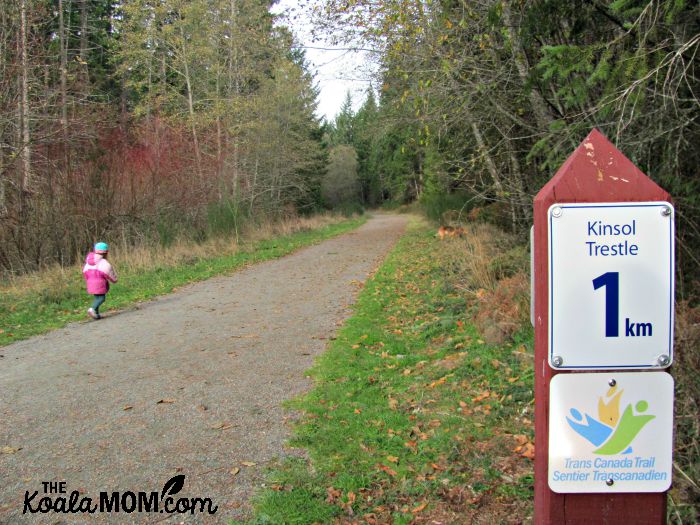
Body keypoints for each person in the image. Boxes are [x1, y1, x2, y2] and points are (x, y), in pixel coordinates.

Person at [82, 242, 118, 320]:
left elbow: (85, 272)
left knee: (97, 298)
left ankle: (96, 314)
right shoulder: (104, 262)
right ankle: (92, 309)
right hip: (100, 283)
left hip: (90, 282)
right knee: (101, 298)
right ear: (106, 253)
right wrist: (114, 279)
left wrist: (88, 280)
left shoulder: (88, 263)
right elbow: (109, 273)